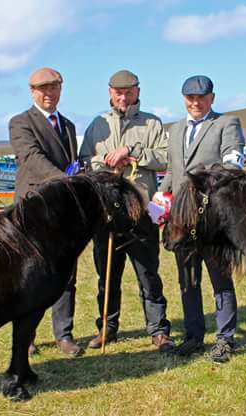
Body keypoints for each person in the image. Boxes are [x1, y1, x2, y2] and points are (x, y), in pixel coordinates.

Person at [79, 69, 174, 352]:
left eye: (129, 92)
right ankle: (107, 328)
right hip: (107, 213)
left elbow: (166, 157)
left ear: (138, 92)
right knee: (107, 276)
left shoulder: (152, 123)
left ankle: (158, 330)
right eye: (118, 92)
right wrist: (106, 162)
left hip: (140, 212)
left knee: (149, 275)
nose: (123, 97)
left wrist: (133, 153)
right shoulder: (97, 124)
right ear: (110, 93)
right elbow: (84, 160)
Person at [158, 75, 244, 363]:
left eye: (201, 97)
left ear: (212, 98)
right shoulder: (175, 128)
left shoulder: (225, 124)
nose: (195, 102)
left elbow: (232, 166)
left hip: (212, 221)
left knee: (220, 280)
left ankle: (225, 339)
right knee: (188, 281)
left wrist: (204, 192)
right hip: (181, 222)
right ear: (183, 98)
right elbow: (173, 170)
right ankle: (194, 336)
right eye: (190, 97)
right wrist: (160, 197)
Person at [8, 66, 83, 358]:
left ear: (61, 89)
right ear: (32, 92)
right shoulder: (20, 123)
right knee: (30, 277)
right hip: (34, 210)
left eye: (53, 87)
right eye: (42, 88)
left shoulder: (69, 126)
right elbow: (32, 158)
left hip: (63, 213)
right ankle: (26, 337)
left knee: (66, 275)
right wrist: (66, 181)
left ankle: (63, 334)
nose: (48, 93)